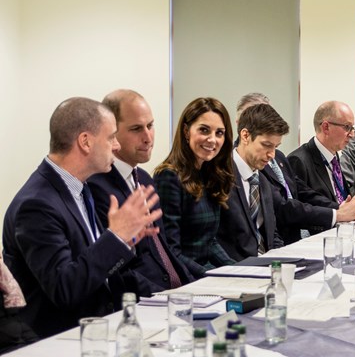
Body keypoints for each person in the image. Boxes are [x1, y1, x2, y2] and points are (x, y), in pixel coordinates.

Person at [2, 97, 161, 340]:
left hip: (100, 328)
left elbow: (98, 271)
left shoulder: (81, 188)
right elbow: (65, 289)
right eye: (110, 138)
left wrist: (123, 244)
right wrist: (115, 238)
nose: (116, 146)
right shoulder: (36, 205)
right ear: (85, 142)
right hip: (59, 342)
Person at [89, 90, 194, 294]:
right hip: (147, 302)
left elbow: (164, 249)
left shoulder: (144, 178)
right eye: (136, 129)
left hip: (176, 295)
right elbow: (119, 270)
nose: (148, 137)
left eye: (150, 125)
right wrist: (165, 298)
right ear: (111, 132)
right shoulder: (97, 187)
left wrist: (193, 288)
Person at [235, 94, 355, 243]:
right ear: (242, 129)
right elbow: (283, 208)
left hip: (288, 242)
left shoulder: (278, 157)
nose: (271, 154)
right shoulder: (238, 167)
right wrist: (337, 214)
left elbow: (304, 192)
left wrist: (343, 208)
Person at [154, 97, 235, 278]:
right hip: (185, 279)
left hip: (204, 275)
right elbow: (170, 251)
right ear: (186, 131)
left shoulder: (209, 173)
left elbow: (209, 242)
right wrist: (213, 276)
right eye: (204, 130)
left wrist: (235, 270)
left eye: (219, 133)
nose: (212, 139)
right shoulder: (169, 176)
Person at [217, 103, 286, 260]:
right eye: (266, 145)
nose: (272, 155)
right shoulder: (220, 174)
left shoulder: (262, 181)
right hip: (234, 269)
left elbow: (271, 235)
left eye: (276, 147)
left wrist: (282, 261)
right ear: (245, 136)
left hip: (265, 267)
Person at [288, 100, 355, 203]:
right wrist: (339, 210)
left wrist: (354, 205)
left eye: (353, 128)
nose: (352, 135)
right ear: (326, 127)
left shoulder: (334, 157)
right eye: (347, 127)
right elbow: (301, 210)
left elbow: (340, 199)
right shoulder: (298, 161)